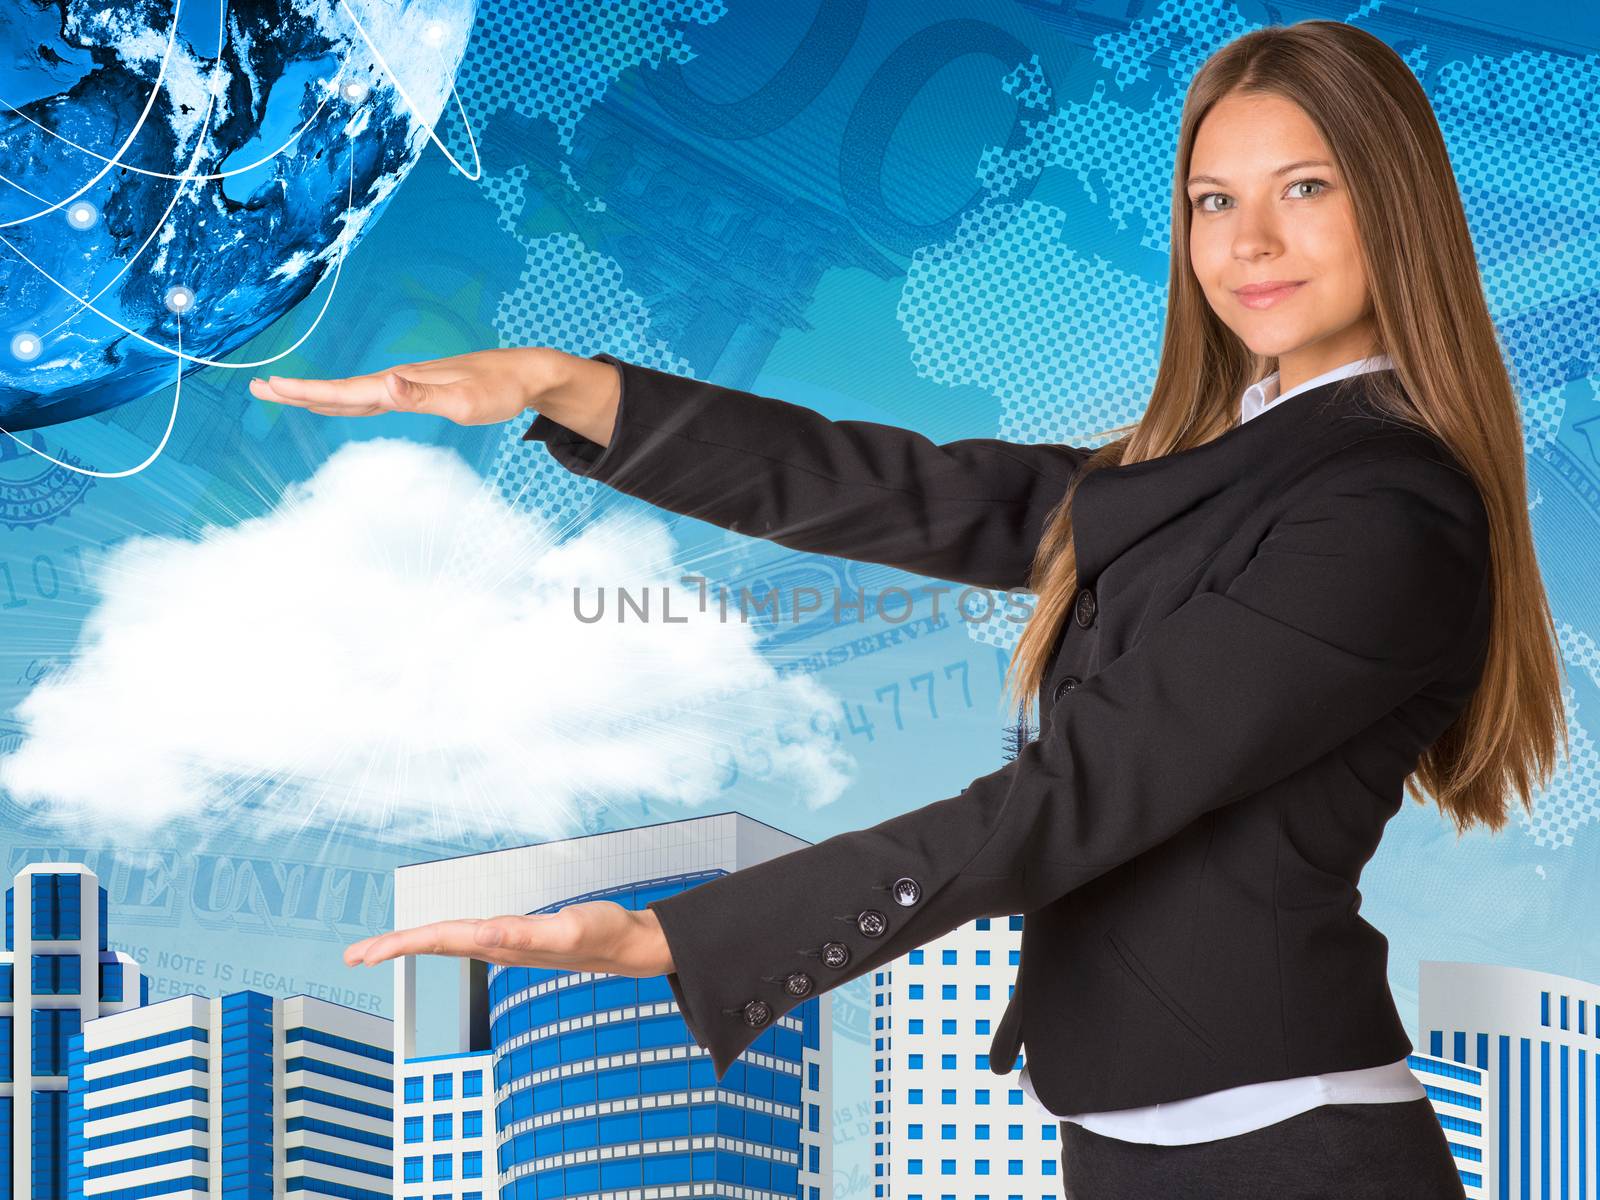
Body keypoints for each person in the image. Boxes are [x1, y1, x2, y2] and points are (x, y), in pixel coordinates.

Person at [248, 19, 1565, 1199]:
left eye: (1307, 190)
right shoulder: (1209, 465)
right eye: (1213, 200)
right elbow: (920, 497)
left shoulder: (1387, 512)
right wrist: (569, 386)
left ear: (1396, 208)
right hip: (1124, 1139)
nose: (1250, 243)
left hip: (1290, 1154)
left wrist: (681, 935)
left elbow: (1077, 796)